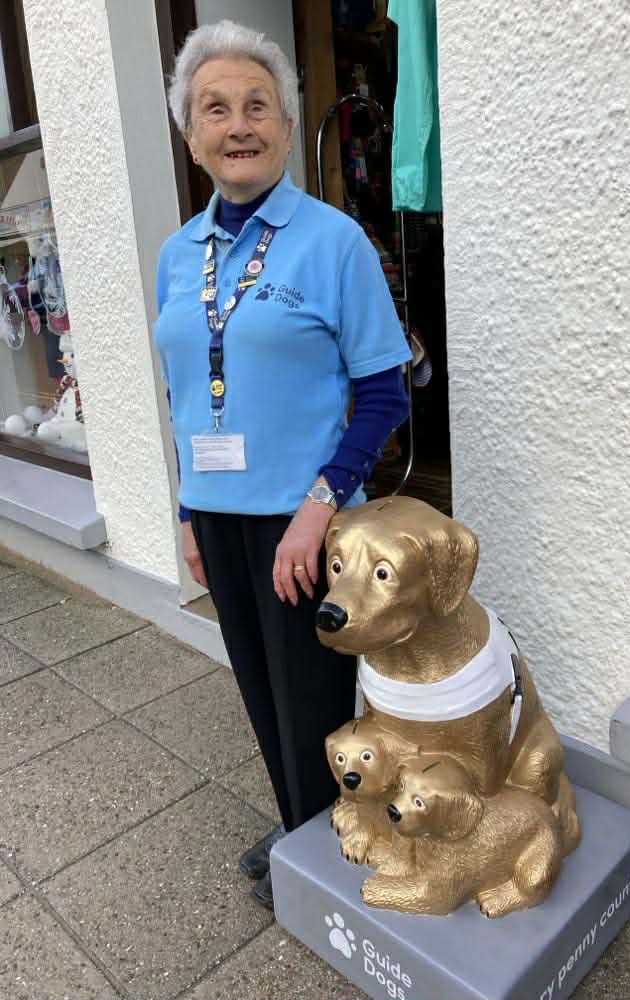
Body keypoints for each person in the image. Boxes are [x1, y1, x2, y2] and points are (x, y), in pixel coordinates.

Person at [155, 20, 411, 910]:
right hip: (219, 515)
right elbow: (188, 389)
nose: (238, 125)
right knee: (262, 693)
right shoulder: (175, 255)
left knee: (319, 705)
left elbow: (385, 395)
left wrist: (318, 507)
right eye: (215, 109)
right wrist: (188, 510)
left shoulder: (332, 241)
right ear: (191, 136)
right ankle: (305, 832)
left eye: (256, 105)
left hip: (308, 522)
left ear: (288, 123)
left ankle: (340, 853)